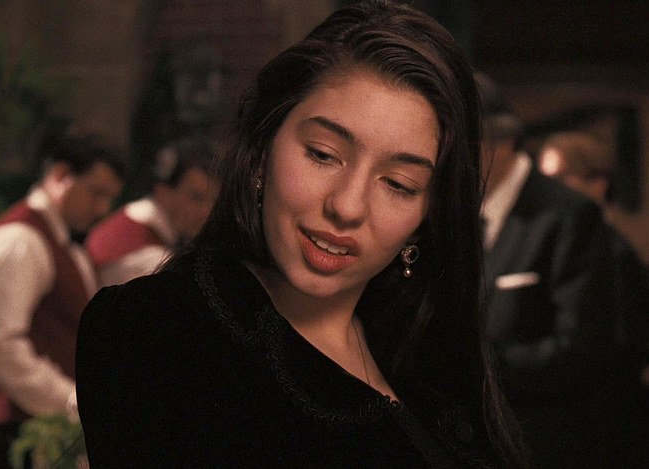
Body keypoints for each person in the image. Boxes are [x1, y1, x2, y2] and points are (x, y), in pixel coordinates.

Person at [76, 1, 527, 467]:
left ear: (428, 215)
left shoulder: (430, 352)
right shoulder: (159, 330)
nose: (347, 206)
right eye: (323, 154)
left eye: (398, 184)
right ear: (262, 147)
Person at [475, 73, 618, 468]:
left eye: (463, 145)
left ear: (503, 141)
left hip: (545, 441)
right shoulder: (457, 212)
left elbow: (583, 349)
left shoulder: (569, 214)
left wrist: (471, 363)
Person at [0, 133, 125, 469]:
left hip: (35, 429)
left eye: (109, 198)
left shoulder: (58, 240)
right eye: (96, 193)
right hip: (14, 432)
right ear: (60, 175)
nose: (102, 209)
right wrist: (71, 401)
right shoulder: (21, 240)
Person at [537, 130, 649, 467]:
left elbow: (617, 350)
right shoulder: (557, 244)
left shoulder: (613, 251)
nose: (546, 190)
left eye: (558, 178)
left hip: (606, 426)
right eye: (542, 179)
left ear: (598, 184)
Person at [85, 136, 219, 286]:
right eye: (196, 197)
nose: (207, 211)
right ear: (163, 192)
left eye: (213, 200)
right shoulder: (152, 259)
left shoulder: (132, 217)